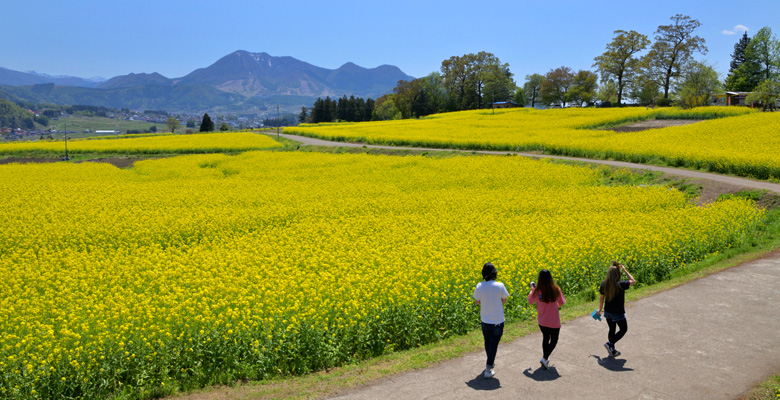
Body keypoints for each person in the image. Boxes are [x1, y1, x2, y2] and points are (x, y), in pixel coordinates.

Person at [473, 262, 510, 379]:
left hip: (485, 319)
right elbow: (504, 300)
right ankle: (488, 368)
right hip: (497, 320)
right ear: (495, 273)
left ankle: (490, 360)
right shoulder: (500, 285)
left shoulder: (479, 286)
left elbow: (477, 302)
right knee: (494, 344)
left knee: (488, 342)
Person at [595, 260, 636, 357]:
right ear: (618, 273)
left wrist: (599, 309)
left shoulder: (604, 283)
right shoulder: (620, 284)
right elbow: (633, 281)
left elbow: (601, 297)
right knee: (623, 329)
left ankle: (612, 350)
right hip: (617, 312)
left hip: (608, 311)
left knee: (612, 329)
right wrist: (625, 270)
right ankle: (610, 344)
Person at [527, 269, 566, 369]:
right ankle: (544, 358)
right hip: (554, 321)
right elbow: (561, 302)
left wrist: (532, 290)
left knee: (546, 338)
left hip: (542, 321)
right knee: (554, 340)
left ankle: (545, 359)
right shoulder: (556, 289)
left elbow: (530, 301)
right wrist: (554, 306)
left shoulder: (537, 291)